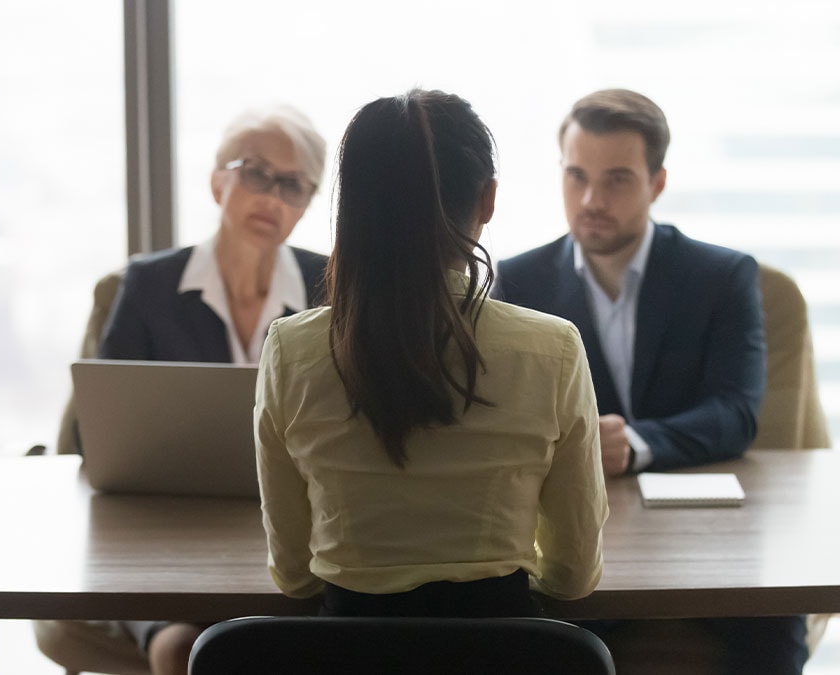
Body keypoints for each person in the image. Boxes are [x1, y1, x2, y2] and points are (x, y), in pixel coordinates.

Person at [254, 89, 608, 618]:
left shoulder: (291, 351)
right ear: (487, 199)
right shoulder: (552, 350)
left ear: (353, 207)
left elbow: (297, 577)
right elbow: (573, 577)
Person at [492, 89, 807, 674]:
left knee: (774, 620)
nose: (591, 200)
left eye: (616, 180)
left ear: (657, 182)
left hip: (705, 535)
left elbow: (736, 413)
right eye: (576, 176)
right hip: (574, 533)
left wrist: (637, 443)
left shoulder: (722, 276)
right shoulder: (517, 280)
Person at [33, 103, 329, 675]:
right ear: (218, 179)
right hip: (162, 530)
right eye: (255, 172)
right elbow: (103, 437)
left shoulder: (329, 288)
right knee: (177, 646)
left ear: (308, 202)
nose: (272, 196)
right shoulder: (147, 286)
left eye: (293, 185)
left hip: (296, 531)